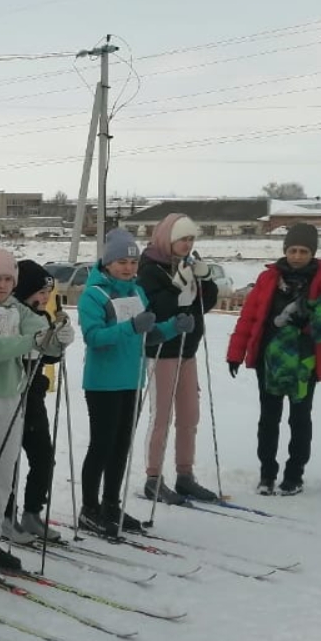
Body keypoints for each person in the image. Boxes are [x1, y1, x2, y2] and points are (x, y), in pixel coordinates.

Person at [0, 250, 70, 574]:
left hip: (12, 396)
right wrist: (32, 339)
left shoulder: (17, 309)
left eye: (8, 279)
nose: (2, 285)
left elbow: (44, 336)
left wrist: (58, 336)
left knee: (4, 474)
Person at [79, 229, 190, 537]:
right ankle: (89, 508)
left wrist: (172, 327)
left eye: (132, 261)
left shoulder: (137, 291)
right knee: (101, 446)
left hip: (131, 379)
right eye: (121, 262)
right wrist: (129, 327)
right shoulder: (95, 294)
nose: (128, 268)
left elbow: (147, 334)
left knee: (120, 448)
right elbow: (94, 337)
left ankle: (111, 505)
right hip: (102, 383)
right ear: (108, 262)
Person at [227, 222, 321, 496]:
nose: (297, 256)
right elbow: (249, 318)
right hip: (270, 360)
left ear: (312, 252)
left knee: (300, 419)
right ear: (285, 249)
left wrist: (309, 321)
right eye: (292, 249)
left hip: (305, 363)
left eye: (303, 251)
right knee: (269, 418)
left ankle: (294, 475)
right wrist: (236, 353)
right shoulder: (267, 279)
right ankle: (267, 474)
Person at [136, 214, 222, 505]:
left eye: (191, 239)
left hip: (188, 349)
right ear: (168, 239)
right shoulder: (149, 268)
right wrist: (175, 289)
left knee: (189, 415)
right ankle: (153, 477)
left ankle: (185, 475)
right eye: (182, 239)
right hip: (163, 350)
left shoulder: (187, 265)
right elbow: (156, 309)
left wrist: (206, 280)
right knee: (161, 416)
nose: (187, 244)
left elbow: (203, 304)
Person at [2, 261, 70, 545]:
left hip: (34, 395)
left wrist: (59, 338)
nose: (43, 298)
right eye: (39, 292)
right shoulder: (10, 315)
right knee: (9, 460)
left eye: (47, 293)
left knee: (43, 456)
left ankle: (32, 512)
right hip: (9, 395)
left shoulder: (42, 316)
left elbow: (49, 357)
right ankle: (5, 516)